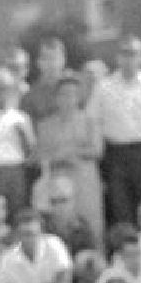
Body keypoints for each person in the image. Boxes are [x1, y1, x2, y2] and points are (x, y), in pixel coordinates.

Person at [88, 36, 141, 229]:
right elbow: (93, 120)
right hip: (115, 153)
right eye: (124, 53)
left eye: (133, 53)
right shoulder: (103, 87)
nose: (129, 58)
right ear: (117, 57)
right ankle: (127, 249)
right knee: (120, 207)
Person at [35, 72, 104, 246]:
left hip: (84, 181)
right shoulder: (45, 125)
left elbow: (97, 149)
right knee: (60, 229)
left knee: (91, 227)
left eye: (72, 94)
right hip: (57, 181)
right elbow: (40, 154)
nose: (68, 98)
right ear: (56, 98)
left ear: (79, 97)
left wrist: (71, 152)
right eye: (63, 94)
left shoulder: (90, 121)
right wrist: (58, 156)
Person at [0, 67, 36, 219]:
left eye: (4, 88)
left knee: (17, 213)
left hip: (16, 170)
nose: (1, 92)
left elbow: (32, 152)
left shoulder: (21, 117)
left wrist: (23, 135)